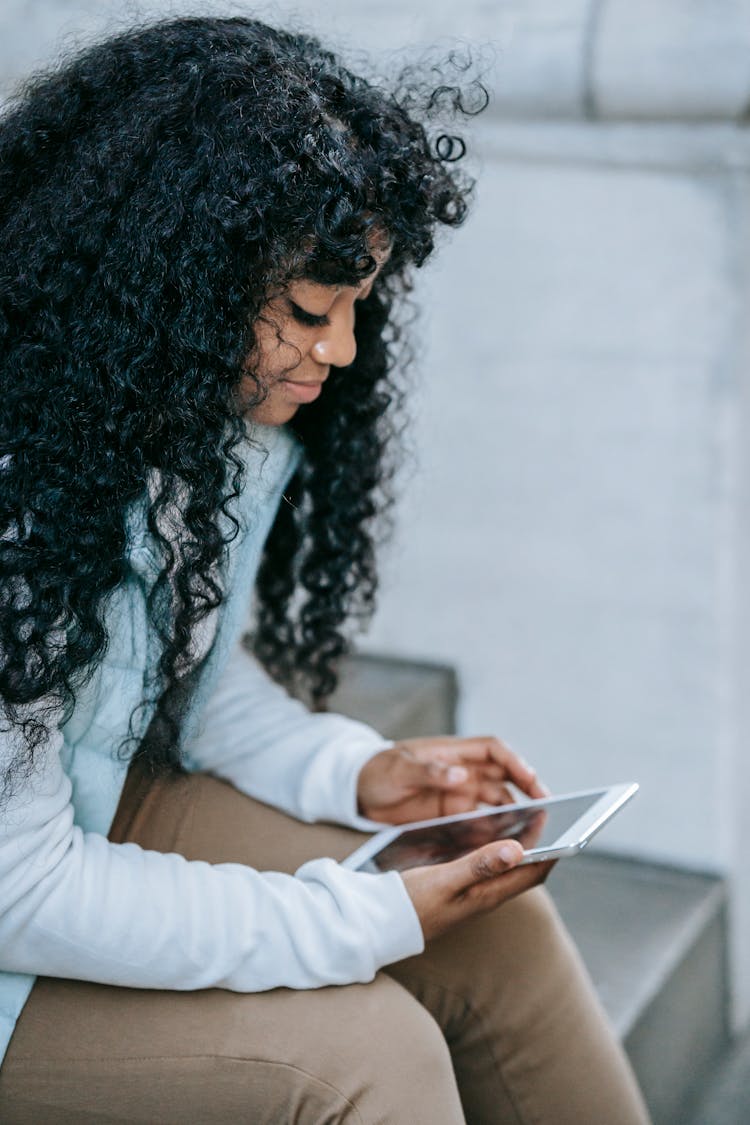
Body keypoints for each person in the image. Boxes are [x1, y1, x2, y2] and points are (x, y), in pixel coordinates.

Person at [0, 15, 650, 1123]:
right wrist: (360, 919)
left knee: (500, 924)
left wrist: (353, 774)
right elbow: (23, 890)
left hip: (80, 813)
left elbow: (183, 683)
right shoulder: (22, 486)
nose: (342, 350)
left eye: (358, 307)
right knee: (366, 1053)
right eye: (310, 310)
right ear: (179, 281)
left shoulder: (202, 425)